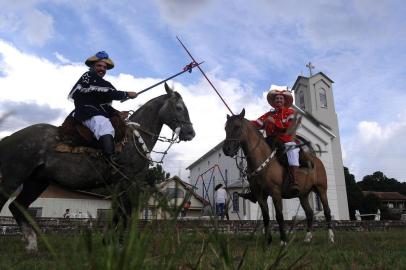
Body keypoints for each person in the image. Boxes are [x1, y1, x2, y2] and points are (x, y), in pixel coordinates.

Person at [67, 51, 138, 162]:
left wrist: (117, 112)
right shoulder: (88, 76)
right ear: (92, 66)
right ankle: (110, 159)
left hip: (96, 111)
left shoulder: (103, 83)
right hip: (86, 112)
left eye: (104, 67)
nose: (102, 69)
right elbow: (110, 93)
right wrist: (127, 94)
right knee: (104, 125)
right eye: (99, 66)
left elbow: (104, 104)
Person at [241, 89, 300, 201]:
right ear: (273, 101)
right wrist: (243, 122)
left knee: (292, 152)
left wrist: (275, 123)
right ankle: (254, 189)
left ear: (284, 101)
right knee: (256, 156)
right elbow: (257, 123)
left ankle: (294, 182)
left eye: (280, 98)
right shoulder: (269, 114)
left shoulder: (290, 112)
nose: (278, 100)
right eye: (276, 98)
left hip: (287, 140)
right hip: (271, 141)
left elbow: (290, 127)